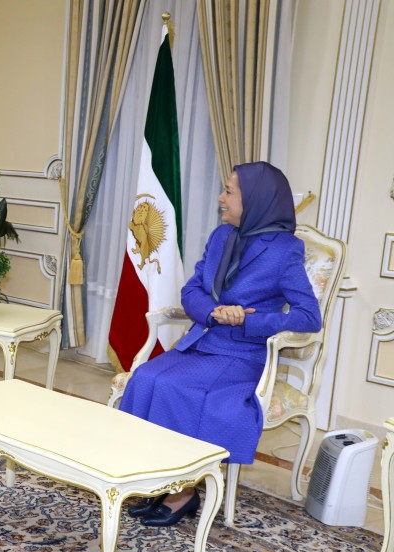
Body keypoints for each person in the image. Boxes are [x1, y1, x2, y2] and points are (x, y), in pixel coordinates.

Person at [120, 161, 322, 527]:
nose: (221, 198)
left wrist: (249, 319)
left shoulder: (284, 251)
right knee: (147, 378)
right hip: (203, 341)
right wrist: (212, 312)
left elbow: (309, 316)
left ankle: (183, 493)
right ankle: (161, 480)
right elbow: (191, 290)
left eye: (230, 192)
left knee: (180, 390)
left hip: (241, 355)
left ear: (256, 200)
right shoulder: (221, 236)